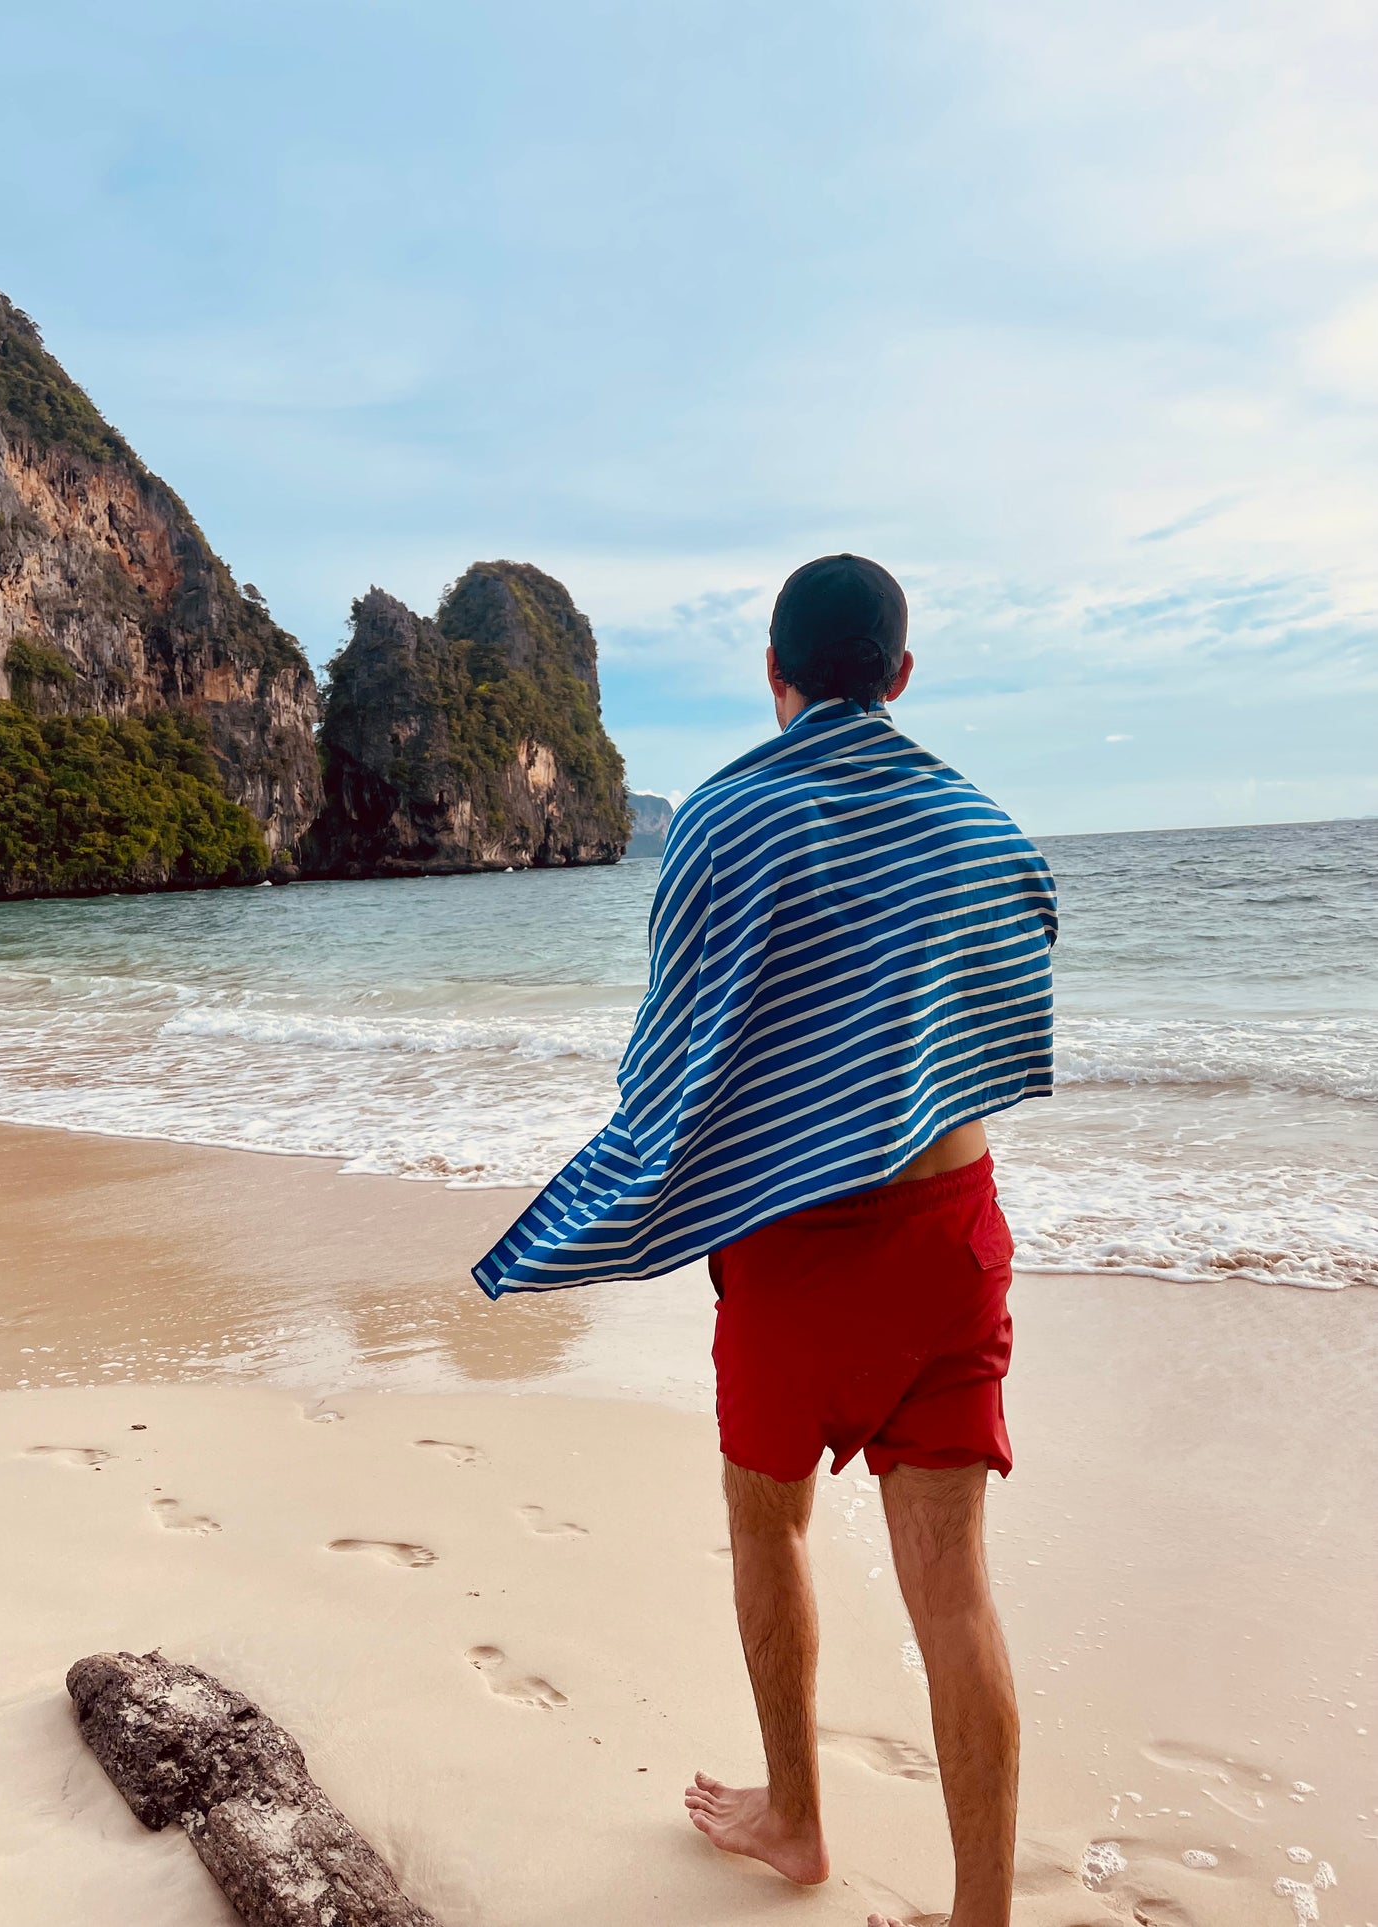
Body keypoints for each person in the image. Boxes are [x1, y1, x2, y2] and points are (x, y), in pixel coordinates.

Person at [474, 554, 1057, 1927]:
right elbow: (1000, 999)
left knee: (765, 1516)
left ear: (774, 677)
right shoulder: (982, 824)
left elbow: (680, 1044)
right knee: (953, 1594)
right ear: (900, 676)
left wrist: (629, 1187)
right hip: (947, 1239)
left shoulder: (727, 817)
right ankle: (982, 1918)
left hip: (795, 1257)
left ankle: (797, 1818)